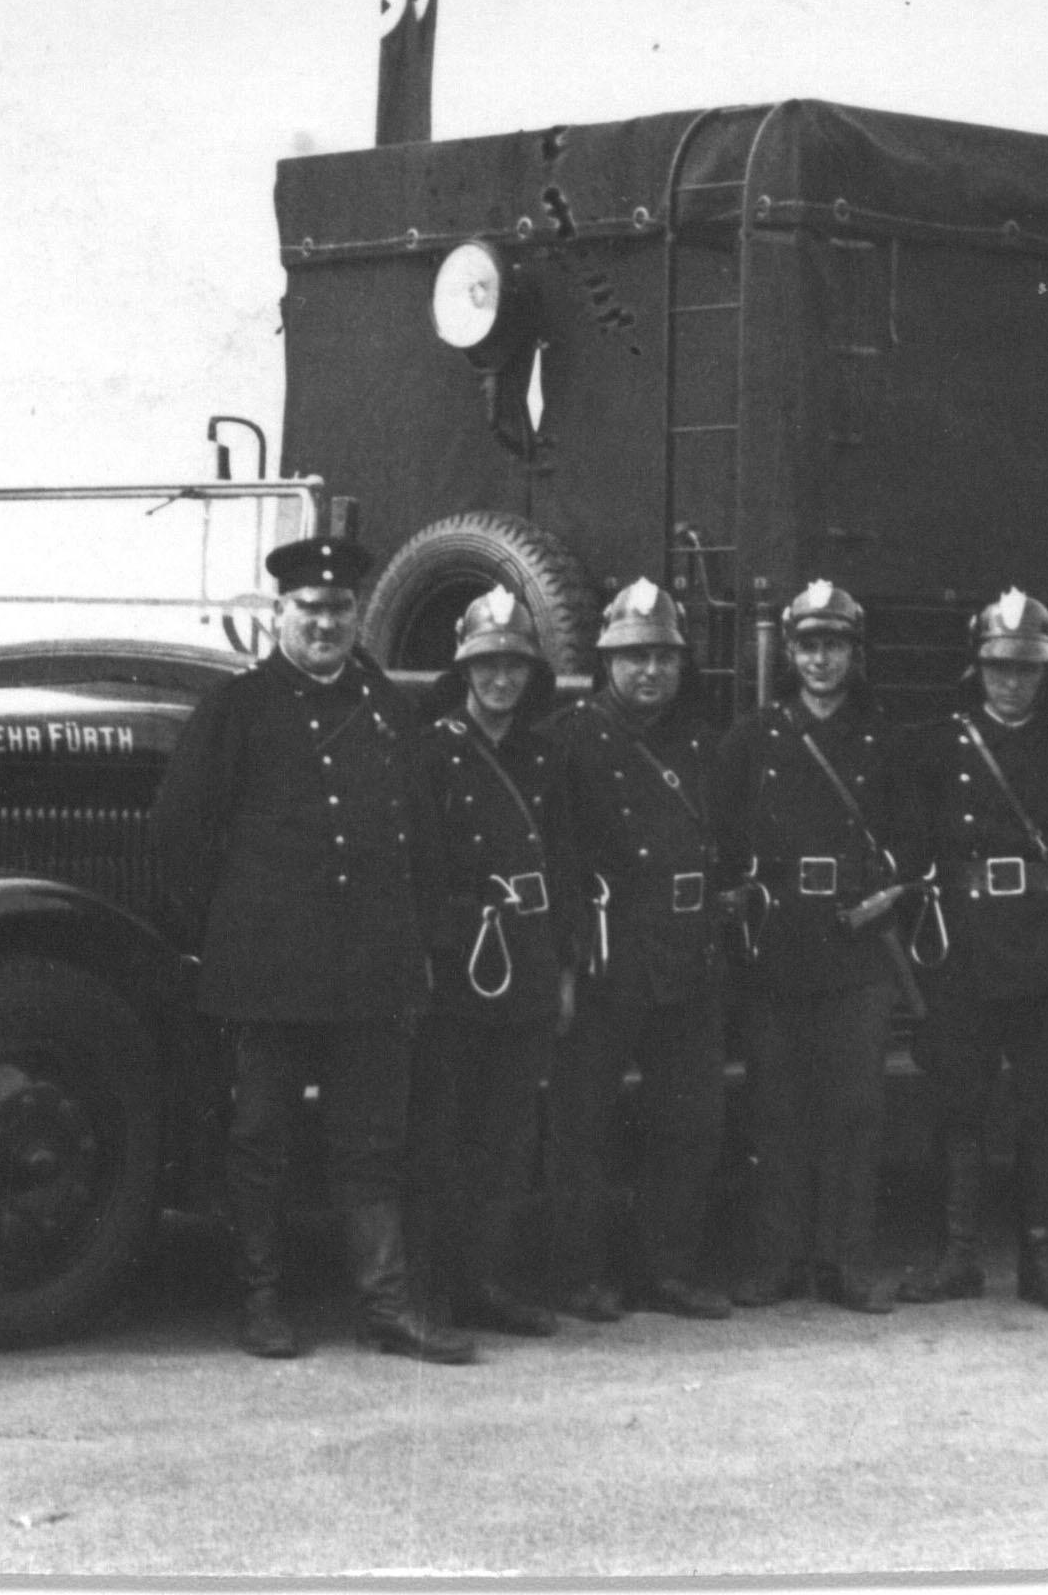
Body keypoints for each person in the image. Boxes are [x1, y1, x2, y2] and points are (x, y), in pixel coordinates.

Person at [150, 534, 474, 1364]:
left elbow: (426, 844)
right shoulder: (237, 710)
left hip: (373, 968)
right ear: (277, 616)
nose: (324, 623)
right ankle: (260, 1302)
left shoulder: (391, 712)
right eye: (308, 609)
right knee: (259, 1137)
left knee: (373, 1142)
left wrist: (421, 946)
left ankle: (386, 1308)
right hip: (266, 970)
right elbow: (180, 838)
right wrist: (221, 942)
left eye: (337, 610)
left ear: (357, 615)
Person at [891, 587, 1048, 1317]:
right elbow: (909, 841)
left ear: (1045, 672)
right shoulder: (936, 746)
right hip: (963, 945)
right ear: (976, 667)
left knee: (1044, 1105)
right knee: (959, 1102)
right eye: (997, 667)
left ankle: (1040, 1260)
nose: (1010, 682)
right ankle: (957, 1257)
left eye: (1024, 669)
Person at [709, 580, 905, 1314]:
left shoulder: (882, 739)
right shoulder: (751, 739)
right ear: (788, 653)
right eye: (809, 646)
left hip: (856, 949)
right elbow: (723, 839)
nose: (821, 660)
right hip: (778, 944)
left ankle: (845, 1262)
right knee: (775, 1110)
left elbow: (910, 838)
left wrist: (883, 898)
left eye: (836, 646)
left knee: (854, 1111)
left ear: (856, 655)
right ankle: (774, 1260)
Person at [544, 578, 734, 1322]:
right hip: (604, 956)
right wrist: (563, 961)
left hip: (685, 955)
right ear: (605, 660)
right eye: (632, 657)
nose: (649, 671)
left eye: (661, 656)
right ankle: (579, 1274)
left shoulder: (699, 742)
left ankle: (670, 1269)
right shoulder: (569, 739)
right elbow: (556, 859)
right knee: (582, 1126)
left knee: (687, 1123)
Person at [406, 586, 580, 1338]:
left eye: (512, 665)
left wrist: (565, 969)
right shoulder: (433, 754)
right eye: (486, 664)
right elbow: (414, 867)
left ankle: (485, 1282)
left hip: (531, 963)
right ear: (464, 670)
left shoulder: (546, 758)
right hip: (460, 967)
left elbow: (568, 868)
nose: (500, 679)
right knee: (441, 1136)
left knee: (508, 1141)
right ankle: (428, 1293)